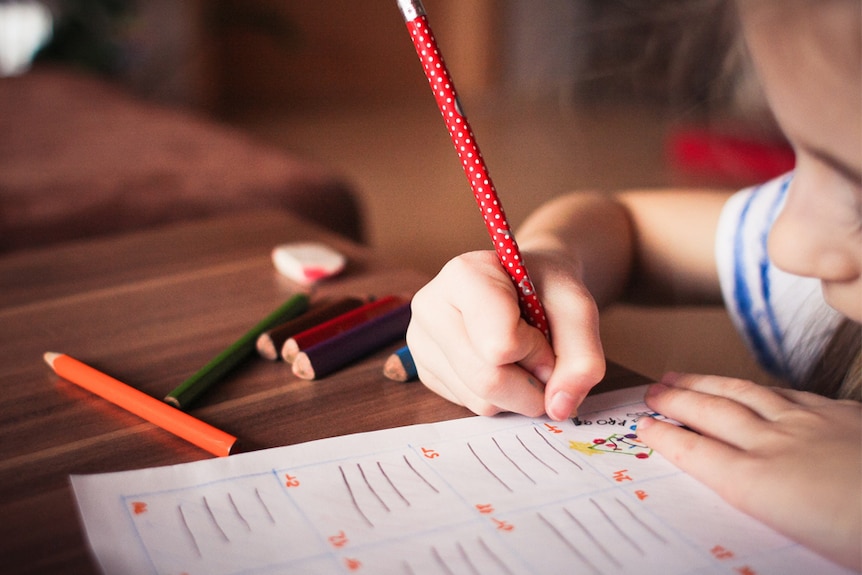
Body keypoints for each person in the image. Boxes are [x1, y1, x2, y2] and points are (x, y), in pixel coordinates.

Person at [405, 0, 861, 570]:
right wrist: (551, 261)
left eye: (857, 191)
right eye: (800, 162)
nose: (784, 243)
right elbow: (626, 226)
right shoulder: (821, 263)